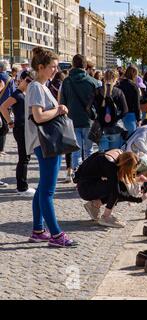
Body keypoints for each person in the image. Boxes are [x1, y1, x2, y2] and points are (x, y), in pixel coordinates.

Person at [25, 47, 76, 247]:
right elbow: (38, 117)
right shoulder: (37, 87)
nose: (56, 70)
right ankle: (56, 235)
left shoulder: (40, 86)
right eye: (52, 67)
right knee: (47, 192)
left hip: (44, 143)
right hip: (45, 143)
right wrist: (59, 109)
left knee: (42, 190)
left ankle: (38, 230)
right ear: (41, 67)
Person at [75, 150, 147, 228]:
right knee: (120, 189)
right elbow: (117, 193)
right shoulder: (110, 165)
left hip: (87, 183)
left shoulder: (118, 152)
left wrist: (136, 179)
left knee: (120, 186)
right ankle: (106, 217)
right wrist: (139, 199)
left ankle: (95, 204)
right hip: (86, 189)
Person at [60, 54, 97, 171]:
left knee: (76, 151)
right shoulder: (93, 82)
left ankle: (77, 174)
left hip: (72, 120)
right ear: (85, 65)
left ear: (73, 65)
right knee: (89, 150)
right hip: (89, 120)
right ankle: (89, 173)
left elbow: (62, 103)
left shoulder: (66, 82)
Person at [0, 71, 35, 196]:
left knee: (25, 157)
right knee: (23, 158)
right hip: (20, 129)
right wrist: (10, 122)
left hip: (25, 128)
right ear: (22, 80)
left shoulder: (25, 94)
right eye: (28, 81)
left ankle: (22, 185)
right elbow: (3, 107)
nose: (30, 83)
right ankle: (22, 187)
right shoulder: (17, 94)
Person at [92, 70, 128, 152]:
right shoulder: (118, 92)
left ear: (104, 78)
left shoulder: (97, 91)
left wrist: (95, 117)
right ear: (116, 78)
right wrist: (117, 118)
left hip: (101, 126)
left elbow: (88, 107)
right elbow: (125, 110)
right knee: (114, 154)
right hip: (115, 127)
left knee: (103, 156)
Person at [117, 65, 141, 136]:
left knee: (122, 139)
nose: (136, 76)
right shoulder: (133, 86)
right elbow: (137, 104)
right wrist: (139, 118)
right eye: (136, 74)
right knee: (131, 138)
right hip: (131, 115)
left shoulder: (119, 84)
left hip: (120, 114)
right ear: (133, 73)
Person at [0, 61, 16, 156]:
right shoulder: (9, 79)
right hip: (5, 106)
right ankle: (1, 149)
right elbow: (13, 92)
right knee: (4, 127)